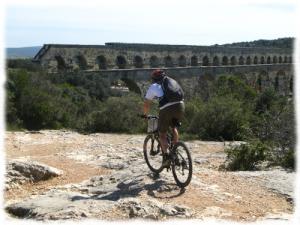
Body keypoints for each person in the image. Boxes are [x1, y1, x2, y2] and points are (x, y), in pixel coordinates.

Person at [143, 69, 185, 168]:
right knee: (174, 127)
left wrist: (145, 114)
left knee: (162, 134)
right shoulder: (171, 82)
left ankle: (166, 157)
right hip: (181, 106)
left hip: (167, 108)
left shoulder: (153, 86)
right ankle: (175, 151)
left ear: (153, 79)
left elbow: (146, 104)